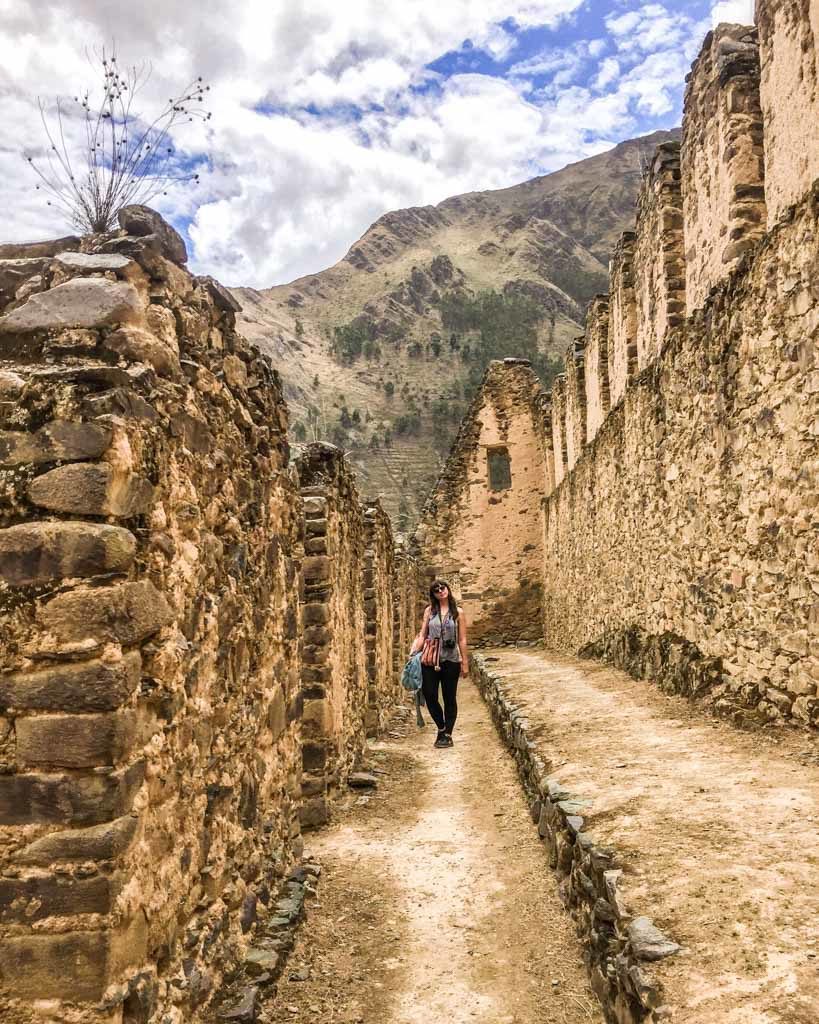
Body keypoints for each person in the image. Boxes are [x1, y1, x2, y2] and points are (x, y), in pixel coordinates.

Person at [411, 580, 469, 748]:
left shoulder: (458, 612)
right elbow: (423, 634)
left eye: (442, 588)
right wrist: (414, 652)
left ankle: (448, 734)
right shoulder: (430, 611)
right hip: (430, 659)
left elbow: (462, 639)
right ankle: (441, 728)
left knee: (449, 698)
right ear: (433, 594)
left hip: (450, 660)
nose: (440, 591)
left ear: (448, 590)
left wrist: (464, 662)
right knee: (429, 694)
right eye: (436, 590)